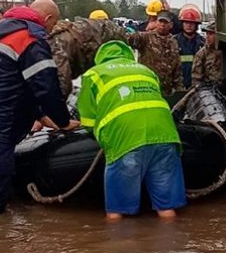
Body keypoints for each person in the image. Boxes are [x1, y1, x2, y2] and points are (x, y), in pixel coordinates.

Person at [0, 0, 78, 216]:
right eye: (53, 25)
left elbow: (15, 84)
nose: (52, 31)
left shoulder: (4, 34)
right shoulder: (31, 40)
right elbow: (46, 88)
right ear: (47, 19)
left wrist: (41, 115)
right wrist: (63, 122)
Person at [78, 40, 185, 221]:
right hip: (166, 135)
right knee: (166, 209)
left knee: (116, 213)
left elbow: (88, 120)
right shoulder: (146, 71)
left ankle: (120, 246)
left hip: (126, 140)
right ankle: (172, 245)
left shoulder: (94, 74)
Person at [49, 16, 129, 98]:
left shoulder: (55, 43)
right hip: (105, 42)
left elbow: (63, 86)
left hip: (109, 42)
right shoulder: (57, 37)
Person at [128, 10, 181, 99]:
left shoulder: (174, 42)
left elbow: (177, 68)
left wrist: (178, 89)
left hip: (166, 91)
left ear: (171, 25)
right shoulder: (145, 37)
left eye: (165, 22)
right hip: (147, 89)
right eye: (160, 21)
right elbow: (126, 38)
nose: (162, 25)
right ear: (156, 22)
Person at [173, 6, 205, 88]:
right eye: (186, 23)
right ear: (182, 24)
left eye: (192, 23)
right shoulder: (173, 42)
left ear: (196, 25)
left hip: (197, 87)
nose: (189, 25)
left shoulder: (203, 43)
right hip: (178, 86)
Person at [192, 22, 226, 87]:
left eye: (211, 34)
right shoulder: (202, 53)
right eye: (206, 34)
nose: (207, 37)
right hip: (209, 91)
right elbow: (196, 79)